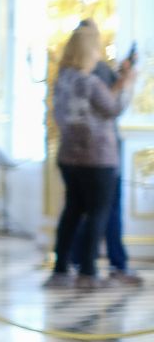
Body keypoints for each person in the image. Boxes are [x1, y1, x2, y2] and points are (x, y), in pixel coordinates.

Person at [45, 24, 136, 290]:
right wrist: (127, 84)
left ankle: (61, 269)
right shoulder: (91, 82)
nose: (99, 54)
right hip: (98, 159)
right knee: (98, 214)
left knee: (72, 212)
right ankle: (88, 272)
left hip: (69, 157)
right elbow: (113, 108)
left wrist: (117, 84)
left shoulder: (63, 79)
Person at [68, 20, 142, 286]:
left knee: (82, 211)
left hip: (80, 155)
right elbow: (112, 107)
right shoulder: (92, 70)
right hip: (101, 154)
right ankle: (111, 265)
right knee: (104, 212)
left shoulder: (74, 72)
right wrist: (127, 81)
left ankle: (79, 262)